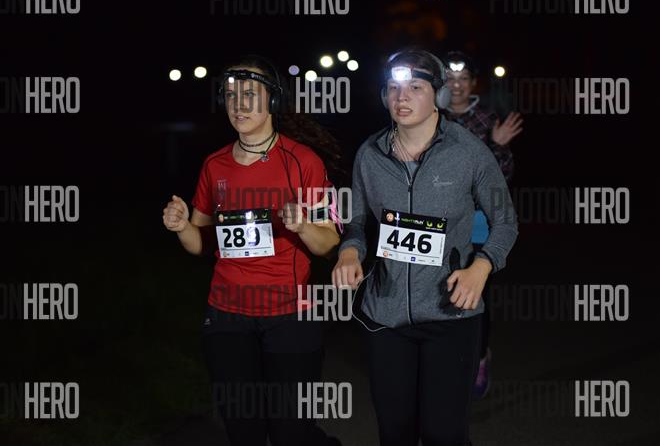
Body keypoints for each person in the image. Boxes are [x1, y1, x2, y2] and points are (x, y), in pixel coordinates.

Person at [332, 48, 518, 445]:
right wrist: (350, 251)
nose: (402, 97)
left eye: (416, 87)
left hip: (450, 315)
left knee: (443, 434)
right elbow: (357, 222)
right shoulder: (369, 154)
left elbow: (505, 222)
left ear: (439, 95)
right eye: (393, 88)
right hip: (385, 316)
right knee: (395, 433)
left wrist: (482, 266)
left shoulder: (470, 153)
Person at [163, 55, 342, 446]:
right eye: (231, 96)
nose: (238, 105)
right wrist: (181, 228)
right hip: (227, 316)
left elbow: (329, 244)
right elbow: (202, 244)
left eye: (249, 94)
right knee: (243, 431)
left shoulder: (304, 162)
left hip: (289, 315)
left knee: (291, 432)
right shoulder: (214, 165)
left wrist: (303, 225)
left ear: (273, 101)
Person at [443, 50, 524, 399]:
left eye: (463, 79)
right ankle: (444, 360)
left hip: (477, 224)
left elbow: (501, 180)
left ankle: (478, 358)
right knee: (439, 293)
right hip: (437, 224)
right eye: (449, 78)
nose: (456, 85)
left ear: (473, 83)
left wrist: (498, 146)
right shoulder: (428, 114)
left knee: (474, 296)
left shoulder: (488, 118)